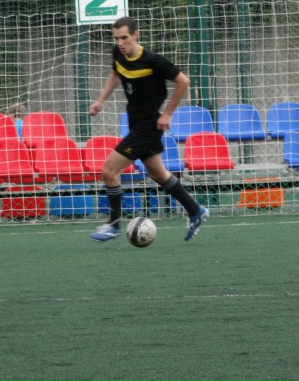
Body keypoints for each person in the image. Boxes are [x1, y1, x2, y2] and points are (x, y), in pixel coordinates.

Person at [88, 16, 209, 242]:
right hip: (135, 122)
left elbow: (183, 81)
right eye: (116, 38)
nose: (120, 43)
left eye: (124, 37)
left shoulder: (153, 60)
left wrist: (168, 113)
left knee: (109, 171)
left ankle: (113, 225)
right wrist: (100, 100)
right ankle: (195, 211)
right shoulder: (118, 54)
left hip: (148, 126)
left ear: (135, 35)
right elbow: (116, 73)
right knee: (158, 174)